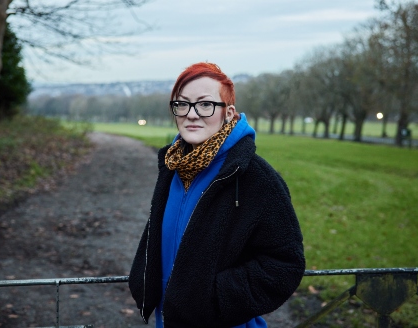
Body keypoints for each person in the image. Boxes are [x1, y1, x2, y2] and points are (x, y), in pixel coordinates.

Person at [128, 62, 305, 328]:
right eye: (182, 104)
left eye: (205, 104)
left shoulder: (255, 177)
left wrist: (214, 298)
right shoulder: (172, 168)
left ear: (229, 113)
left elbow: (285, 262)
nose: (191, 114)